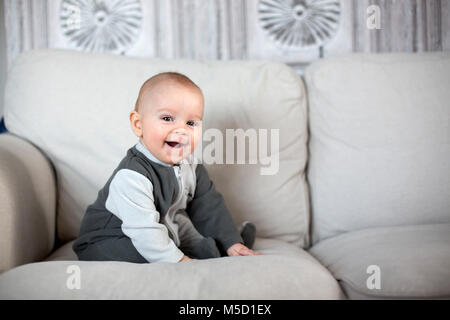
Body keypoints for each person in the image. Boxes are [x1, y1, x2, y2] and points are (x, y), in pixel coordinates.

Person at [72, 72, 260, 263]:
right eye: (167, 118)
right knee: (145, 250)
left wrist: (230, 241)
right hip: (110, 238)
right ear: (138, 124)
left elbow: (209, 207)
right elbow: (144, 231)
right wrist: (180, 262)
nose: (181, 130)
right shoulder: (131, 176)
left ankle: (230, 246)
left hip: (163, 226)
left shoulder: (191, 167)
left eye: (191, 123)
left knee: (184, 231)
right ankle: (180, 256)